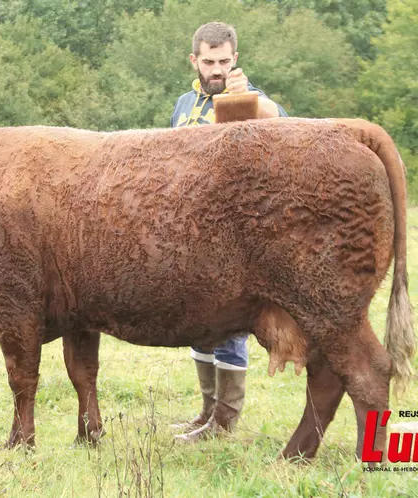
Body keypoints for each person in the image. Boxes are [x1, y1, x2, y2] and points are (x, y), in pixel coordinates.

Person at [170, 21, 287, 441]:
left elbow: (287, 124)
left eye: (223, 61)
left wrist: (254, 103)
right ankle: (205, 413)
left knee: (230, 326)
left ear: (234, 59)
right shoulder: (183, 103)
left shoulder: (249, 98)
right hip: (186, 231)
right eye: (209, 62)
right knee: (198, 322)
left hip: (235, 235)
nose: (216, 69)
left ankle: (224, 422)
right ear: (195, 61)